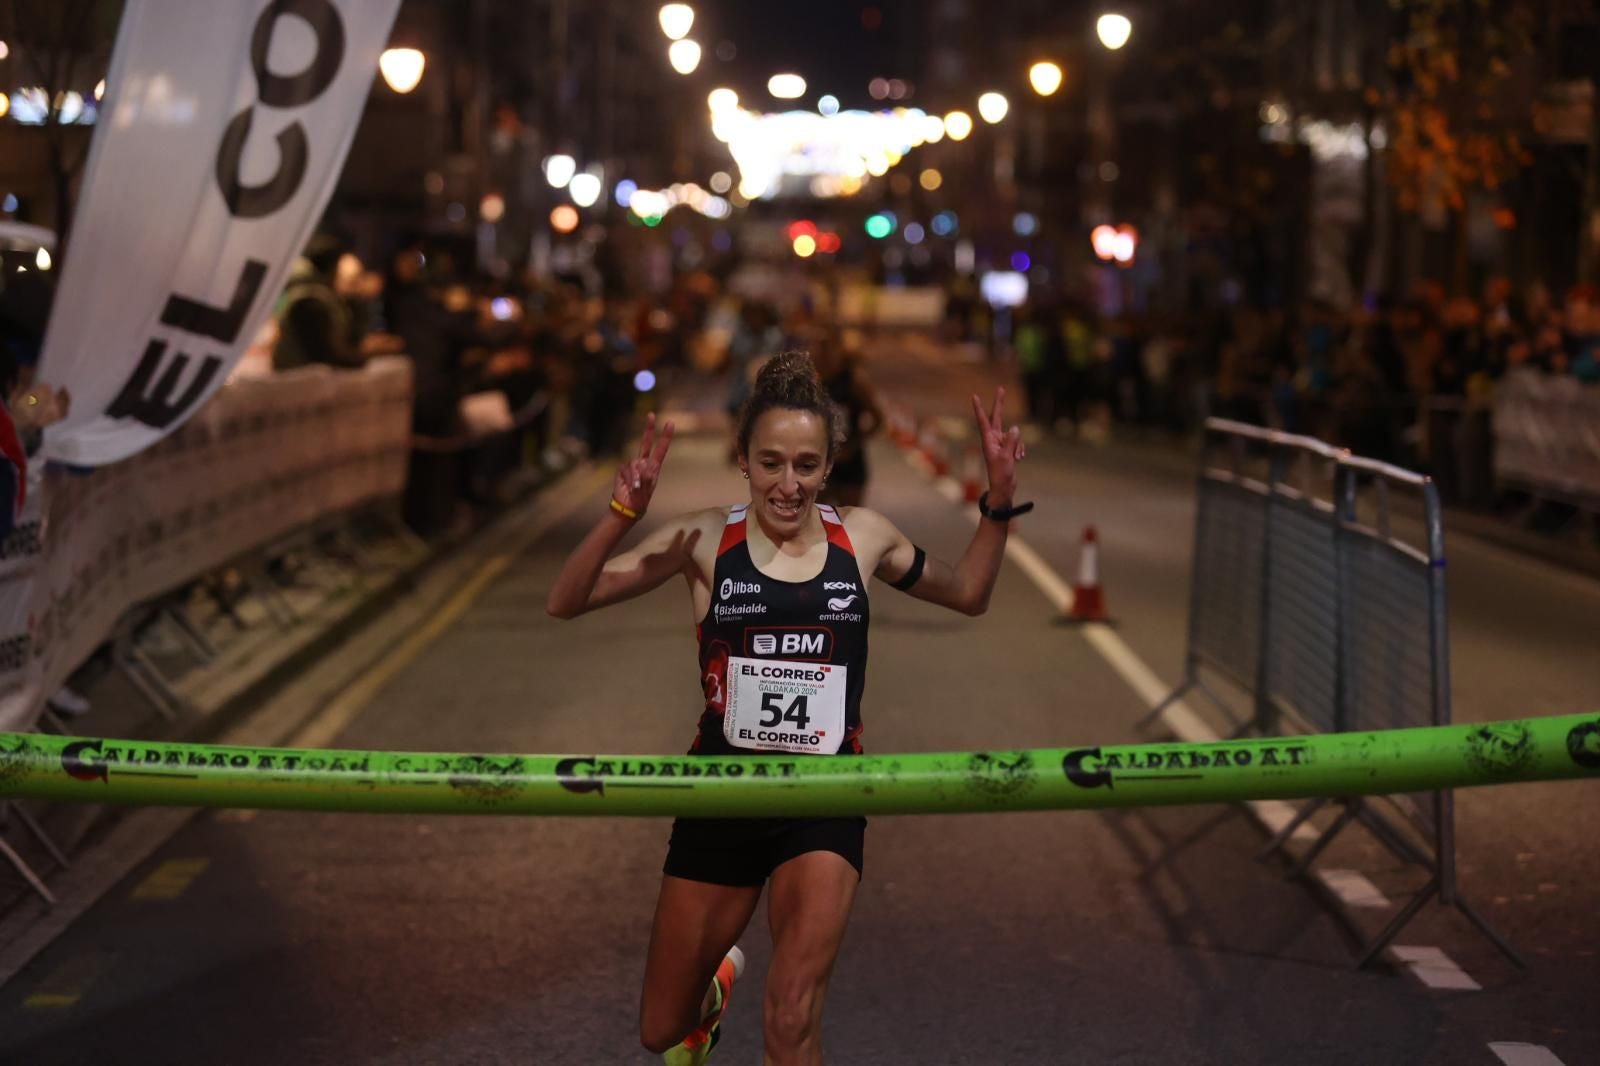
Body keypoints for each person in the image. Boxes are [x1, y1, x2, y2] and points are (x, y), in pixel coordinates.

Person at [546, 352, 1028, 1065]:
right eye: (771, 462)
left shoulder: (864, 538)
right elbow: (567, 601)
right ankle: (712, 994)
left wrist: (998, 499)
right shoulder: (705, 539)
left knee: (793, 1014)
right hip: (721, 792)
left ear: (830, 465)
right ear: (742, 459)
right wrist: (622, 514)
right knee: (659, 1029)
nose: (788, 483)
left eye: (806, 464)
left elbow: (969, 594)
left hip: (823, 794)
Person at [810, 326, 883, 509]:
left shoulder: (853, 381)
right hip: (820, 462)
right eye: (818, 347)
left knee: (849, 526)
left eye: (828, 348)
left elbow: (878, 419)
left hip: (850, 464)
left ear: (839, 350)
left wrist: (854, 444)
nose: (822, 354)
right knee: (814, 525)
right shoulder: (809, 382)